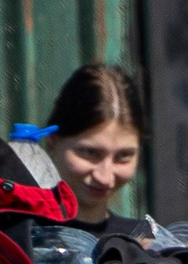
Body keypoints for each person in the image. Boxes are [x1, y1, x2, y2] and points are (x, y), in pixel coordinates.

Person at [35, 64, 145, 229]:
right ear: (53, 142)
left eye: (123, 156)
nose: (105, 177)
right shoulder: (12, 239)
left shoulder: (143, 245)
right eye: (90, 153)